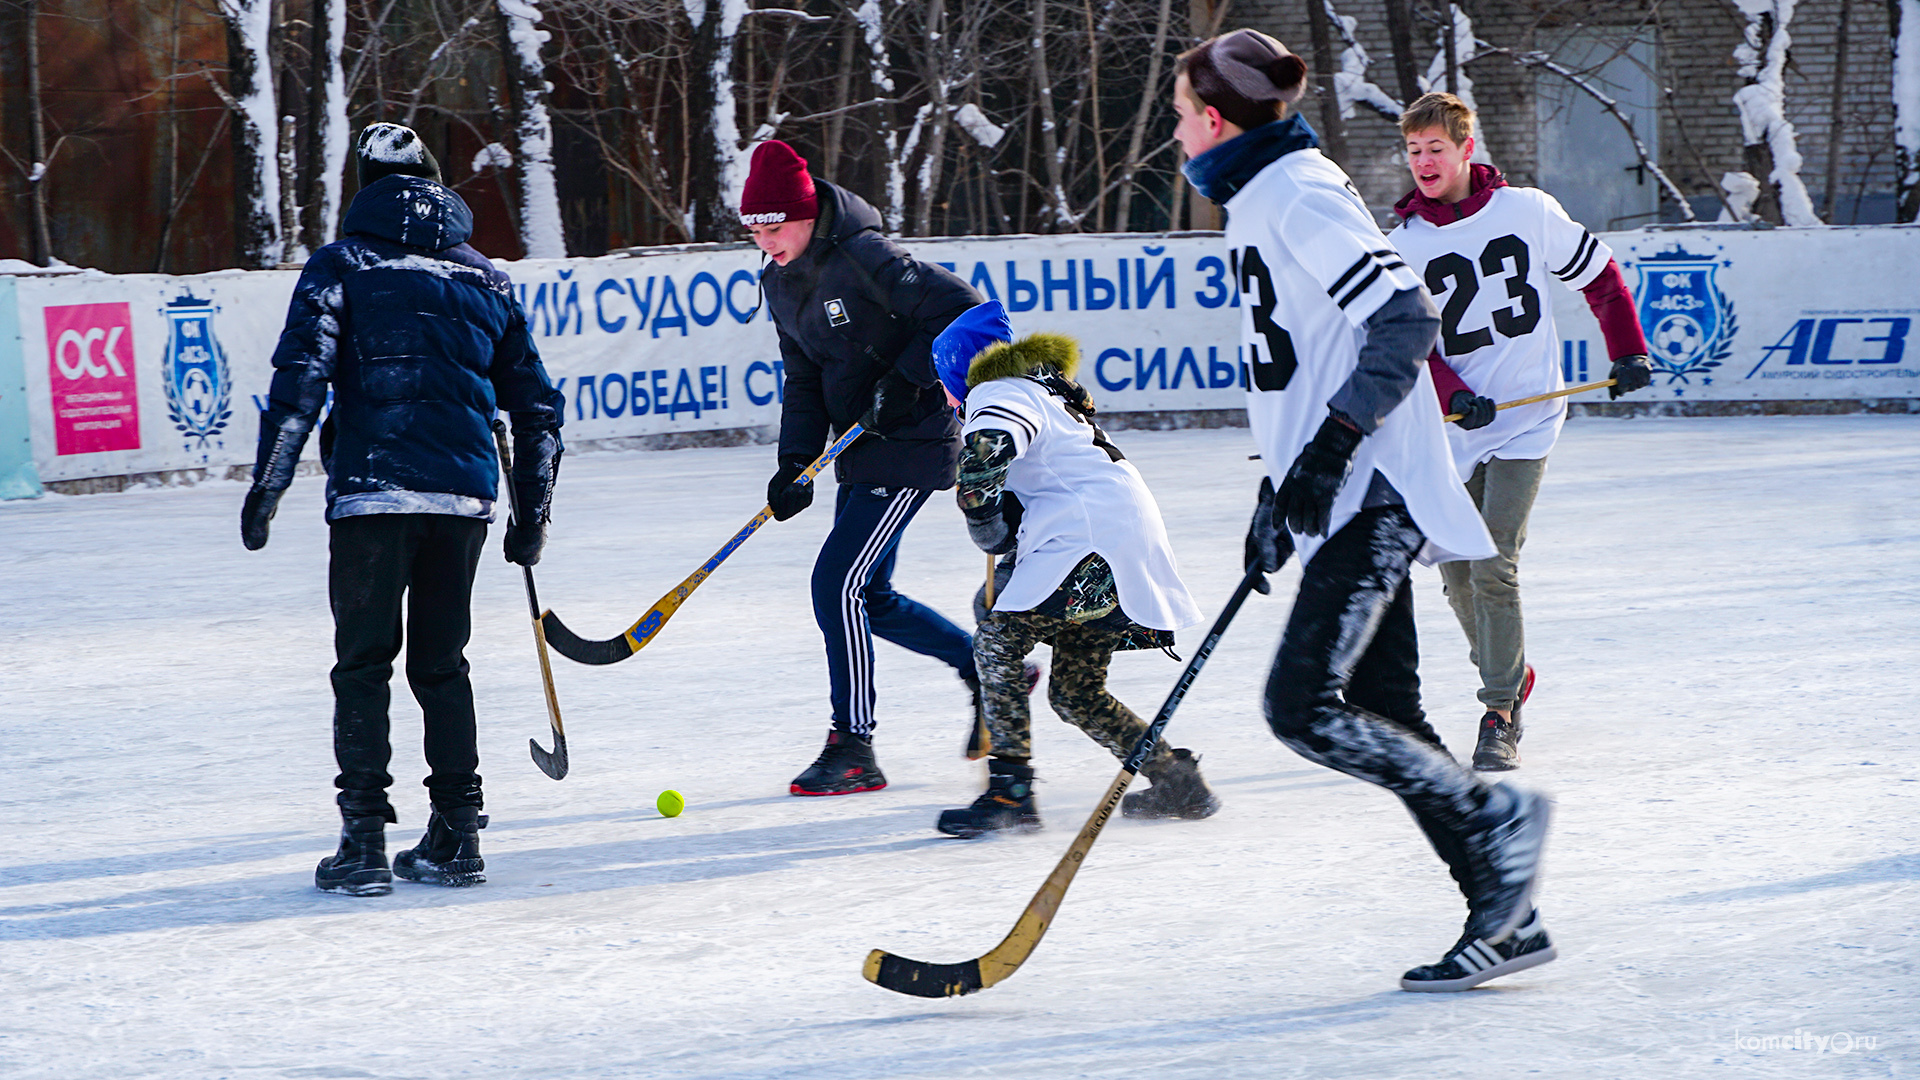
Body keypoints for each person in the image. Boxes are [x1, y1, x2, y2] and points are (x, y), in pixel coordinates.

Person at [1174, 30, 1554, 991]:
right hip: (1337, 494)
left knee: (1301, 709)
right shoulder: (1262, 196)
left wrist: (1333, 451)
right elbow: (1305, 365)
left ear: (1215, 119)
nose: (1177, 132)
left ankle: (1497, 822)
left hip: (1376, 491)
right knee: (1386, 708)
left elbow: (1405, 318)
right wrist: (1279, 489)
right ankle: (1505, 912)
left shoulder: (1297, 191)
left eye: (1181, 114)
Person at [240, 122, 565, 896]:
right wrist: (533, 516)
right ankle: (456, 836)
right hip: (460, 501)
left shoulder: (343, 264)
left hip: (372, 492)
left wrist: (269, 485)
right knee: (441, 665)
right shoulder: (486, 279)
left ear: (367, 187)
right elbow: (538, 409)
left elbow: (300, 382)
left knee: (363, 665)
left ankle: (362, 844)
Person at [1388, 92, 1653, 771]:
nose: (1423, 162)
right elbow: (1410, 339)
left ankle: (1499, 711)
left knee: (1494, 563)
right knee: (1454, 579)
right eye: (1414, 151)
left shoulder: (1526, 211)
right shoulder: (1404, 242)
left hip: (1530, 419)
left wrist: (1628, 350)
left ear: (1465, 149)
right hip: (1456, 428)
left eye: (1435, 149)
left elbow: (1600, 277)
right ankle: (1513, 671)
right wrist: (1455, 394)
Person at [744, 140, 984, 796]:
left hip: (912, 439)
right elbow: (802, 376)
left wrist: (909, 382)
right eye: (752, 228)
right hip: (858, 446)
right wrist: (794, 460)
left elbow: (964, 309)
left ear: (804, 214)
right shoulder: (779, 279)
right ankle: (990, 672)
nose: (764, 240)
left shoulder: (864, 255)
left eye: (773, 225)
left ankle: (853, 747)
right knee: (870, 596)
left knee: (837, 584)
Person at [928, 302, 1215, 837]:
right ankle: (1174, 778)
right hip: (1114, 536)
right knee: (1075, 692)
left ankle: (1011, 794)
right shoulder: (1046, 394)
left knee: (996, 642)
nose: (945, 399)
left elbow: (985, 457)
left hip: (1089, 542)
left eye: (942, 383)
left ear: (960, 371)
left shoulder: (996, 391)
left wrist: (984, 519)